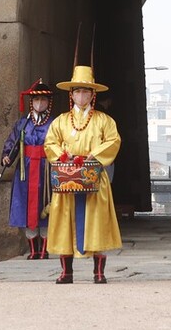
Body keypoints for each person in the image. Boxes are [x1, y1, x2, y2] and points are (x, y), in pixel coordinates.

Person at [45, 65, 122, 283]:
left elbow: (113, 141)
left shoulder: (103, 120)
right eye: (77, 91)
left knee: (97, 220)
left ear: (92, 94)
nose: (81, 96)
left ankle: (99, 272)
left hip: (94, 176)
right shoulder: (61, 120)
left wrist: (93, 156)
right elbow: (50, 142)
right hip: (67, 176)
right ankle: (66, 271)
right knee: (64, 222)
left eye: (86, 92)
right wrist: (62, 156)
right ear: (71, 94)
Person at [0, 79, 55, 259]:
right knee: (26, 206)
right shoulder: (22, 124)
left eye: (43, 100)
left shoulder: (54, 124)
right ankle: (33, 248)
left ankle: (45, 248)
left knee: (46, 205)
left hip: (46, 170)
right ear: (31, 102)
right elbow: (13, 143)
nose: (40, 104)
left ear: (48, 102)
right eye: (36, 100)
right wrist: (7, 156)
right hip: (26, 168)